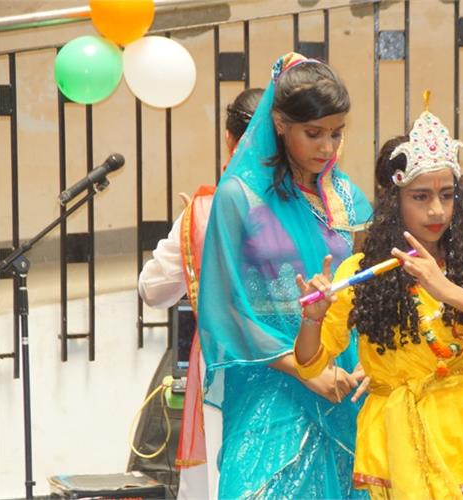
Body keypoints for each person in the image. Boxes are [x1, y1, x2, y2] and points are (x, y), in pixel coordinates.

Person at [294, 97, 463, 499]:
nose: (437, 211)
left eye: (447, 195)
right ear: (395, 201)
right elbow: (310, 364)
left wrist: (447, 290)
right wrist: (313, 319)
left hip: (461, 435)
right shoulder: (361, 272)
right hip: (393, 441)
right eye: (421, 197)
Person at [196, 52, 373, 499]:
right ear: (279, 123)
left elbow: (367, 287)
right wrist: (303, 369)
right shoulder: (239, 196)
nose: (327, 147)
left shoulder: (345, 197)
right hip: (269, 379)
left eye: (336, 133)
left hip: (342, 376)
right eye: (313, 133)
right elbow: (223, 307)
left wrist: (372, 361)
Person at [137, 87, 263, 499]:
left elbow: (153, 290)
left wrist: (189, 229)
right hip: (297, 360)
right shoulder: (314, 207)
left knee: (218, 475)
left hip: (221, 363)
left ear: (229, 138)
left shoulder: (205, 212)